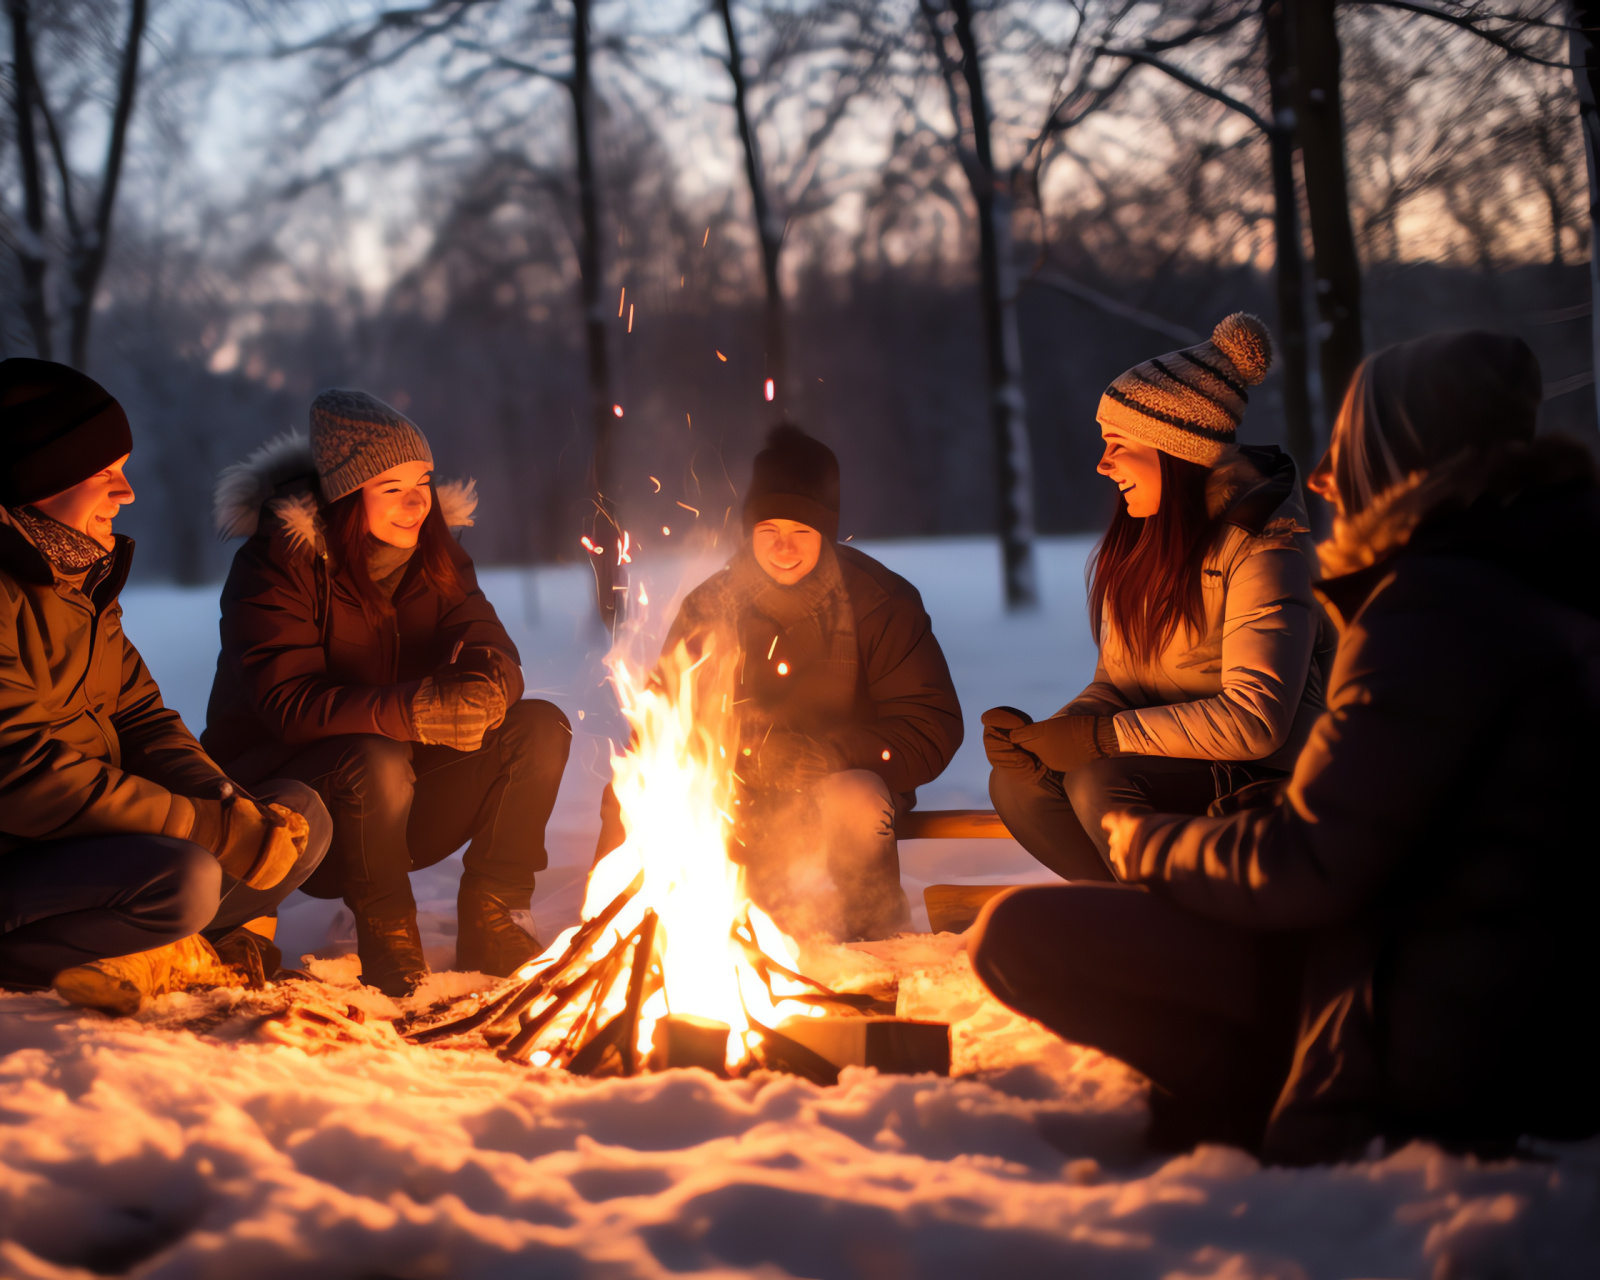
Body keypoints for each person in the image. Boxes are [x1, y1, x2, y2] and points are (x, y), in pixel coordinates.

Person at [970, 330, 1600, 1163]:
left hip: (1415, 1006)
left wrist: (1142, 841)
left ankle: (1249, 1089)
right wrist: (1057, 734)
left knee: (1025, 921)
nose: (1328, 477)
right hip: (1422, 964)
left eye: (1349, 450)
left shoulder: (1426, 605)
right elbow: (1123, 686)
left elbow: (1306, 843)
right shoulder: (1507, 590)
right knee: (1047, 781)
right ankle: (1234, 1055)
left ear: (1407, 457)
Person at [0, 358, 328, 1016]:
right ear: (42, 478)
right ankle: (171, 950)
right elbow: (15, 775)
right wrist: (207, 829)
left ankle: (201, 949)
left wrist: (227, 809)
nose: (128, 492)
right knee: (187, 877)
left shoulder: (69, 572)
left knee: (294, 814)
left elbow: (141, 720)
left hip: (79, 856)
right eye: (106, 473)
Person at [205, 391, 571, 998]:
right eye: (391, 486)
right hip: (299, 814)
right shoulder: (277, 564)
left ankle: (495, 912)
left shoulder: (437, 554)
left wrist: (485, 687)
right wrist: (416, 711)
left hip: (397, 800)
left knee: (538, 726)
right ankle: (388, 933)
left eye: (423, 480)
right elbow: (287, 703)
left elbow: (490, 645)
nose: (417, 501)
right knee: (375, 753)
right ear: (349, 493)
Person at [983, 313, 1328, 882]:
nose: (1103, 464)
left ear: (1176, 448)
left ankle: (1170, 937)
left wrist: (1098, 739)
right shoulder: (1145, 542)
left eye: (1118, 444)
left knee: (1101, 779)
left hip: (1267, 778)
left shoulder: (1266, 550)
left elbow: (1257, 720)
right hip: (1166, 762)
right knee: (1019, 783)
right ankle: (1126, 917)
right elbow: (1119, 684)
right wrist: (1048, 737)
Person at [597, 424, 965, 941]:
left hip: (845, 790)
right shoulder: (711, 606)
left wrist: (836, 753)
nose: (784, 548)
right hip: (739, 793)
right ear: (749, 531)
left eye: (802, 532)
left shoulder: (880, 603)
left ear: (827, 532)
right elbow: (656, 739)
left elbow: (931, 725)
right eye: (769, 530)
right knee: (737, 915)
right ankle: (685, 934)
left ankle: (873, 932)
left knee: (854, 800)